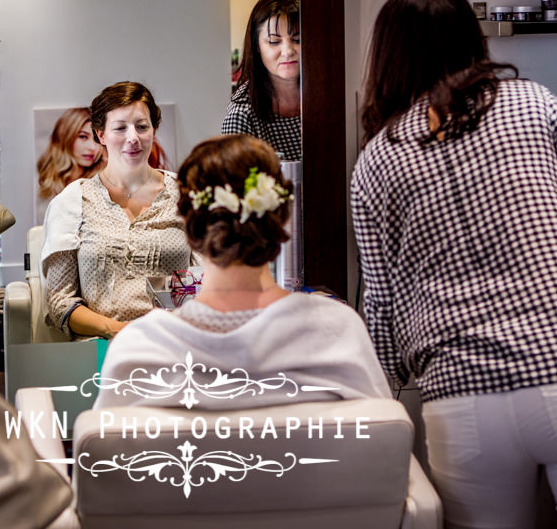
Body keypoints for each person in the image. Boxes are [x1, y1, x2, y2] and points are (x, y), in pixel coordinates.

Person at [352, 0, 557, 529]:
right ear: (474, 42)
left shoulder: (377, 159)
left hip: (466, 394)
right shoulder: (535, 102)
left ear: (387, 56)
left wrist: (401, 376)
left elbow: (383, 303)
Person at [96, 134, 391, 410]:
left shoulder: (139, 351)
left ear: (189, 222)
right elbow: (387, 447)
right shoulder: (338, 332)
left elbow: (104, 457)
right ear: (282, 217)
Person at [41, 82, 193, 339]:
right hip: (101, 351)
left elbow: (211, 283)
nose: (132, 137)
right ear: (101, 134)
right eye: (120, 128)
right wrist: (118, 331)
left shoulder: (187, 194)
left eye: (142, 127)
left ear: (153, 130)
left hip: (176, 344)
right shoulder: (73, 201)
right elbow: (60, 302)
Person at [221, 0, 301, 160]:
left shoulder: (328, 96)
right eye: (274, 41)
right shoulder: (242, 113)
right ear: (257, 46)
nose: (287, 51)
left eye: (297, 40)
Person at [35, 106, 103, 215]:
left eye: (96, 139)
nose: (93, 147)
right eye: (83, 137)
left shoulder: (102, 183)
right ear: (65, 136)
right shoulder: (43, 182)